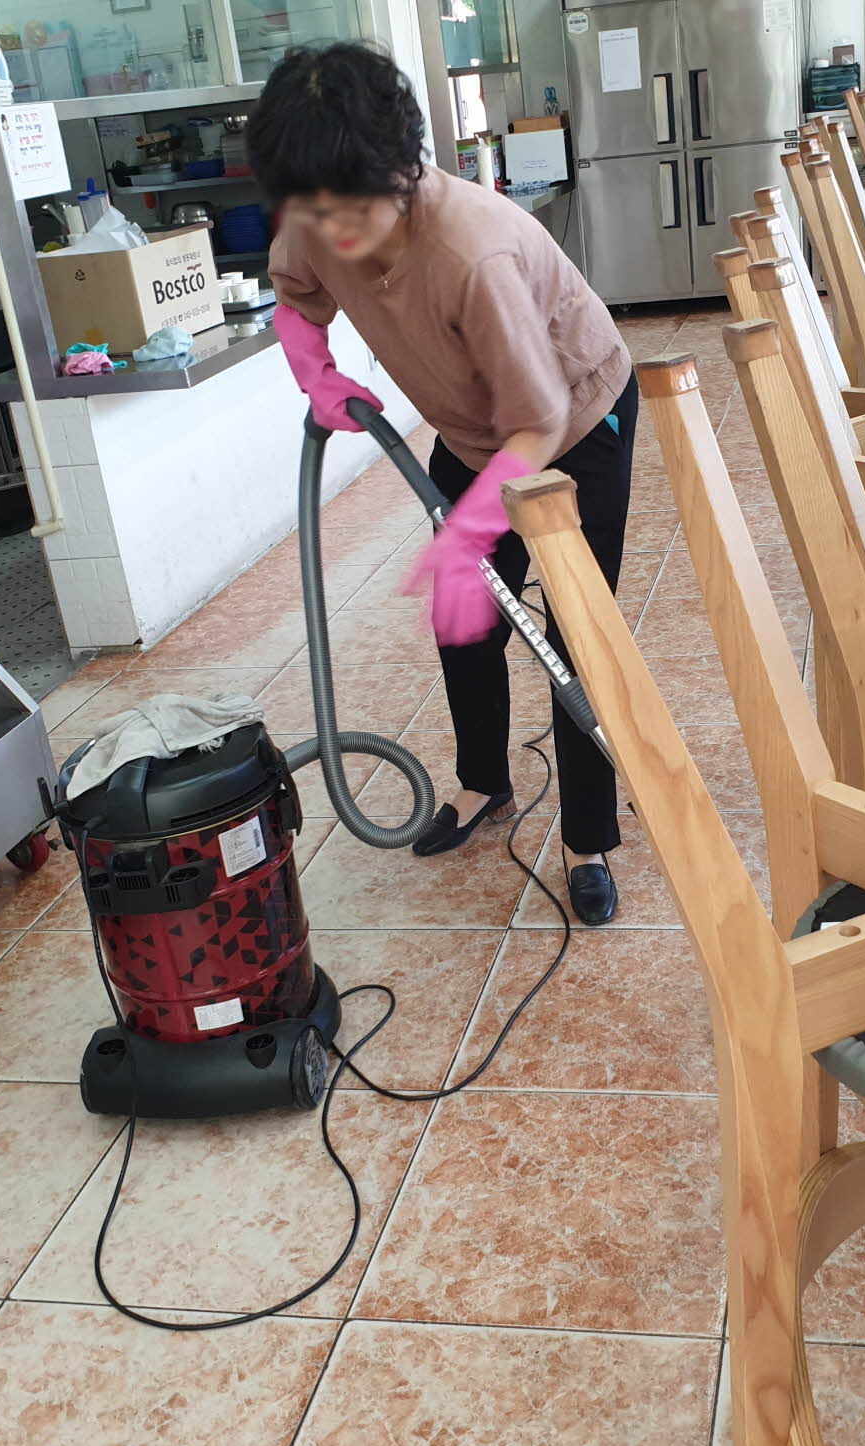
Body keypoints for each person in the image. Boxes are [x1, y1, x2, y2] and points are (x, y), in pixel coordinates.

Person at [251, 41, 636, 926]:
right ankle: (483, 782)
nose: (333, 234)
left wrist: (469, 531)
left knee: (574, 637)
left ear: (402, 170)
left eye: (352, 211)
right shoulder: (318, 209)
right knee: (464, 625)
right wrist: (315, 370)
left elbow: (537, 422)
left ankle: (587, 839)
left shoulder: (472, 252)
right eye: (313, 213)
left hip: (573, 422)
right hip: (470, 429)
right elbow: (296, 294)